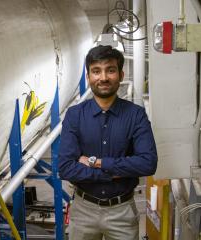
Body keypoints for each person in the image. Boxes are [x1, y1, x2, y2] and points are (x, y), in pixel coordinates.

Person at [58, 45, 157, 240]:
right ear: (88, 77)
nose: (103, 77)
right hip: (83, 211)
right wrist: (118, 171)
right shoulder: (75, 115)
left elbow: (148, 163)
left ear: (120, 74)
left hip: (122, 212)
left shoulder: (135, 115)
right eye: (96, 71)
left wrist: (97, 162)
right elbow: (65, 169)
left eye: (110, 70)